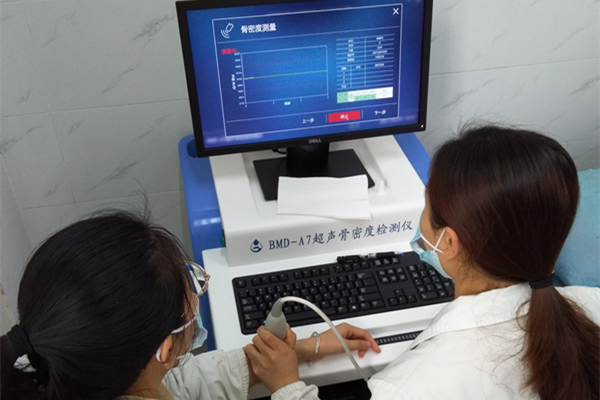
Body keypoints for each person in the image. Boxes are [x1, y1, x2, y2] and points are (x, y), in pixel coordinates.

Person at [244, 124, 600, 400]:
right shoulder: (592, 305)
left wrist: (287, 386)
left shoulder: (410, 387)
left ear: (450, 242)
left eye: (427, 204)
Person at [0, 211, 380, 400]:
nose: (202, 284)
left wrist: (304, 349)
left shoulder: (74, 376)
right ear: (164, 349)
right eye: (193, 288)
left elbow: (182, 383)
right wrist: (288, 388)